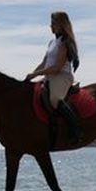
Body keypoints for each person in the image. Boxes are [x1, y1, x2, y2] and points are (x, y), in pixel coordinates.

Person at [26, 11, 82, 143]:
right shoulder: (52, 42)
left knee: (55, 99)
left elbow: (57, 67)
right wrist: (32, 75)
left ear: (61, 25)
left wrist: (37, 74)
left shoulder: (64, 42)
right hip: (50, 76)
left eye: (53, 23)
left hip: (62, 76)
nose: (50, 26)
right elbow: (43, 63)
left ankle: (76, 130)